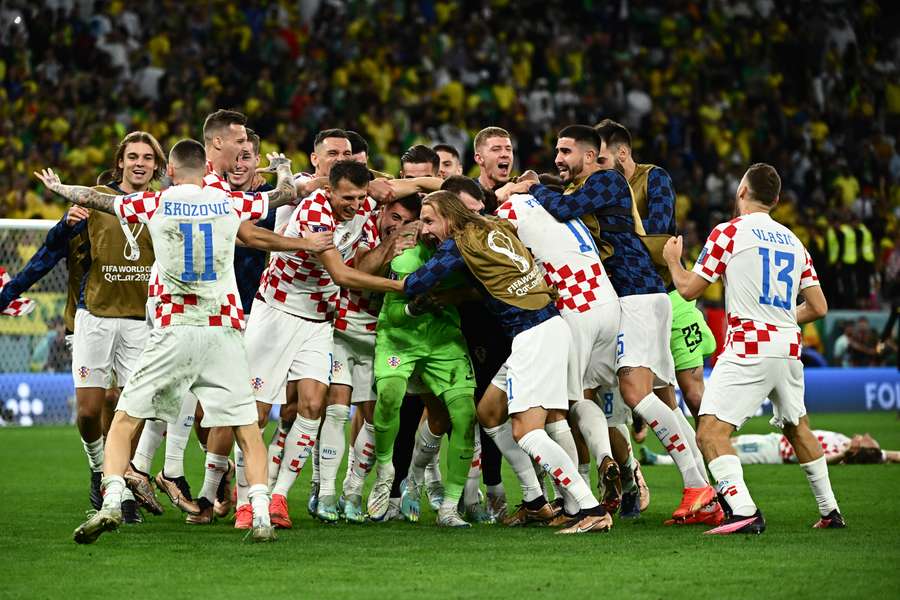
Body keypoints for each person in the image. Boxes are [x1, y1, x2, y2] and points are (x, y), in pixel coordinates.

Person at [37, 139, 332, 544]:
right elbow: (282, 194)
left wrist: (60, 189)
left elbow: (96, 199)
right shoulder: (227, 201)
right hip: (222, 330)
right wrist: (281, 167)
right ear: (203, 168)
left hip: (172, 328)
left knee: (124, 421)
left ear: (170, 171)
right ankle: (260, 512)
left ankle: (110, 503)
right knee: (246, 426)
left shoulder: (155, 203)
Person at [508, 125, 715, 524]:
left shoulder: (607, 181)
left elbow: (564, 209)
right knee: (634, 395)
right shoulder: (586, 189)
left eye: (566, 151)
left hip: (638, 293)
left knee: (638, 394)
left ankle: (697, 484)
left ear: (591, 156)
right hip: (625, 300)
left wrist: (530, 188)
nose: (558, 159)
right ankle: (704, 489)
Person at [394, 190, 612, 534]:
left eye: (429, 220)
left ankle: (590, 507)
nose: (423, 229)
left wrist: (374, 271)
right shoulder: (493, 225)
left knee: (527, 431)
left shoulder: (459, 242)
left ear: (450, 218)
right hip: (548, 325)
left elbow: (415, 283)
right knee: (490, 412)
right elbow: (488, 283)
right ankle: (536, 502)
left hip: (533, 333)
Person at [663, 162, 844, 534]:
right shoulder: (794, 241)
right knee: (798, 428)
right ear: (776, 200)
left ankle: (742, 510)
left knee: (710, 433)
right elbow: (819, 307)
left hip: (749, 346)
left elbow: (687, 289)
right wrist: (780, 317)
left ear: (742, 192)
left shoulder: (729, 232)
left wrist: (672, 260)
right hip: (788, 347)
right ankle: (831, 512)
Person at [247, 159, 412, 529]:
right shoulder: (316, 210)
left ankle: (278, 498)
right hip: (277, 309)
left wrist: (438, 181)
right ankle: (246, 497)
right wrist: (399, 286)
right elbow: (340, 274)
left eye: (359, 197)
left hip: (320, 319)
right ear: (329, 191)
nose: (353, 205)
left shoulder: (364, 203)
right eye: (346, 198)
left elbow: (400, 188)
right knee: (257, 413)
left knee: (313, 404)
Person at [593, 119, 717, 522]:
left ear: (622, 154)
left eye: (602, 157)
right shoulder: (599, 184)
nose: (597, 164)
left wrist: (619, 232)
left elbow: (662, 240)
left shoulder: (654, 179)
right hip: (626, 298)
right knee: (652, 399)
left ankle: (714, 481)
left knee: (686, 396)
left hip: (667, 296)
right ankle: (702, 488)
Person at [492, 176, 621, 523]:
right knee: (584, 395)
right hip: (607, 302)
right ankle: (604, 456)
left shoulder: (512, 207)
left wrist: (502, 195)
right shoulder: (560, 207)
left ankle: (574, 504)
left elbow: (490, 245)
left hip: (573, 307)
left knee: (555, 410)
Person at [643, 431, 900, 466]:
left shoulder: (842, 454)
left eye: (867, 439)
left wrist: (846, 454)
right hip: (775, 438)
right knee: (724, 443)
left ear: (859, 450)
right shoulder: (843, 439)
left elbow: (823, 459)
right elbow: (886, 454)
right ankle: (666, 458)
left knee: (720, 450)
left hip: (775, 451)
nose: (865, 435)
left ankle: (661, 461)